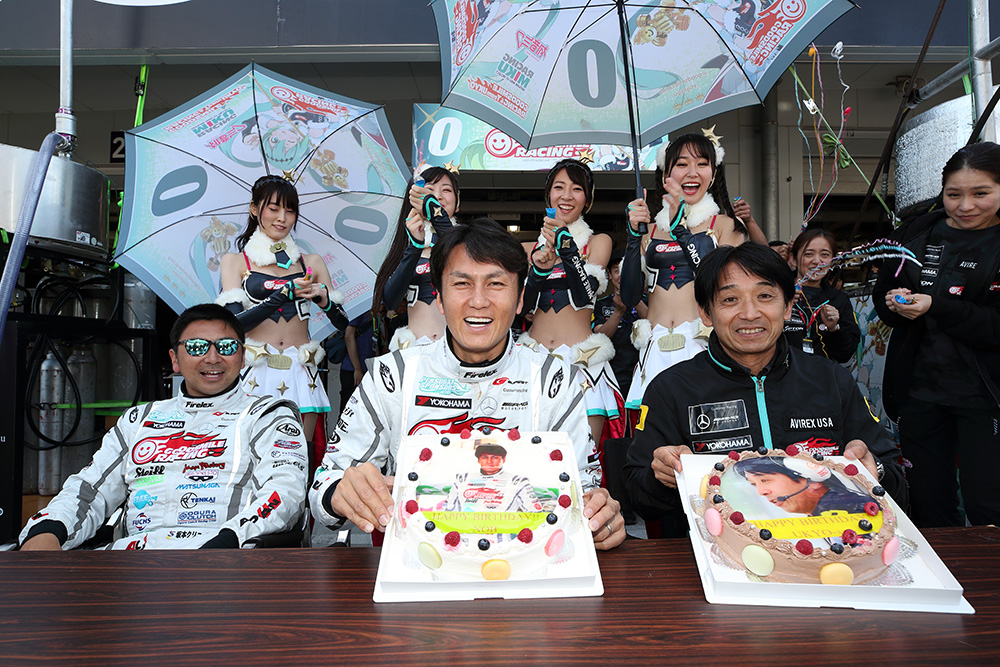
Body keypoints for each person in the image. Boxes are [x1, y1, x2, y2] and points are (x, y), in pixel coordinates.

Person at [310, 218, 625, 549]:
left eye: (496, 284)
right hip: (418, 570)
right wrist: (340, 492)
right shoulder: (393, 376)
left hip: (526, 568)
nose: (478, 301)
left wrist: (601, 515)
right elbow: (325, 485)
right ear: (440, 299)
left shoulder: (554, 380)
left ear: (520, 300)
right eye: (462, 284)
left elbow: (585, 489)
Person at [623, 242, 907, 525]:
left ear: (788, 306)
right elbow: (637, 495)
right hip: (715, 547)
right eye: (730, 299)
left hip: (828, 543)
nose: (750, 313)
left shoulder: (831, 379)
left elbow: (897, 483)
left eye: (765, 296)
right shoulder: (671, 389)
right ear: (706, 312)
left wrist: (874, 470)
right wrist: (661, 477)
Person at [18, 304, 308, 550]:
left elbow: (284, 493)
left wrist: (229, 540)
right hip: (132, 568)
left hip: (224, 562)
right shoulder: (139, 419)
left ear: (242, 358)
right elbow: (88, 490)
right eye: (196, 347)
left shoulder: (268, 415)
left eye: (227, 347)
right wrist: (48, 529)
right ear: (174, 360)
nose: (212, 358)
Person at [874, 141, 1000, 528]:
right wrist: (892, 303)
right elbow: (884, 293)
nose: (965, 206)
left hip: (988, 398)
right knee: (928, 503)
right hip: (920, 394)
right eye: (953, 194)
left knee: (988, 505)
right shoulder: (915, 234)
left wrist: (936, 306)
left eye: (981, 193)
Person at [621, 130, 748, 414]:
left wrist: (681, 229)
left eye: (702, 163)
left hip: (705, 345)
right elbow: (629, 296)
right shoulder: (649, 230)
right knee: (652, 435)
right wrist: (632, 238)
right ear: (666, 174)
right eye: (681, 164)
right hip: (654, 348)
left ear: (713, 174)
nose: (692, 172)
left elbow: (717, 281)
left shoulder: (726, 225)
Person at [217, 174, 346, 449]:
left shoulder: (311, 262)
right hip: (254, 370)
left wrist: (325, 301)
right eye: (273, 208)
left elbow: (343, 323)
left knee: (300, 453)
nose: (282, 218)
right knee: (249, 450)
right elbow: (234, 325)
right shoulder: (235, 262)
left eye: (290, 210)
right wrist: (283, 295)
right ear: (254, 209)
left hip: (301, 370)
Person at [519, 158, 618, 446]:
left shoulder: (599, 242)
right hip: (532, 361)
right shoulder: (527, 250)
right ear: (548, 195)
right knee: (529, 453)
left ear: (588, 200)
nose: (566, 196)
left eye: (576, 189)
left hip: (582, 363)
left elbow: (585, 295)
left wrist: (568, 250)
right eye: (559, 187)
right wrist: (538, 270)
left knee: (584, 459)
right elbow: (522, 310)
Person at [371, 165, 461, 350]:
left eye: (446, 190)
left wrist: (436, 214)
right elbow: (391, 301)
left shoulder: (468, 244)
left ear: (458, 202)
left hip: (458, 350)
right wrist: (415, 246)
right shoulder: (406, 246)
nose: (437, 196)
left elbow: (462, 261)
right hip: (414, 351)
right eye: (429, 190)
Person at [784, 228, 861, 362]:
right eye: (809, 254)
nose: (817, 261)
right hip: (782, 373)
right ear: (793, 259)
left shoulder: (838, 299)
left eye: (825, 255)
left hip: (822, 373)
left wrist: (834, 328)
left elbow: (845, 354)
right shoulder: (779, 293)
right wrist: (781, 306)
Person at [734, 457, 875, 517]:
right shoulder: (817, 514)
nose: (760, 492)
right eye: (754, 485)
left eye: (764, 480)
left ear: (813, 481)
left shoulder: (847, 508)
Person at [592, 248, 647, 402]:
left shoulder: (649, 300)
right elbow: (600, 336)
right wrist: (618, 311)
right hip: (613, 377)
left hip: (643, 375)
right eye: (617, 271)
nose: (622, 275)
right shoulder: (600, 304)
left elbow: (656, 326)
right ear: (609, 275)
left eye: (626, 270)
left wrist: (634, 299)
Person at [443, 443, 543, 513]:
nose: (489, 461)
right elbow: (447, 511)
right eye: (484, 457)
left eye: (495, 457)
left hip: (502, 535)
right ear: (478, 460)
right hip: (464, 534)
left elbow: (535, 512)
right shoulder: (463, 479)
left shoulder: (517, 481)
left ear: (504, 459)